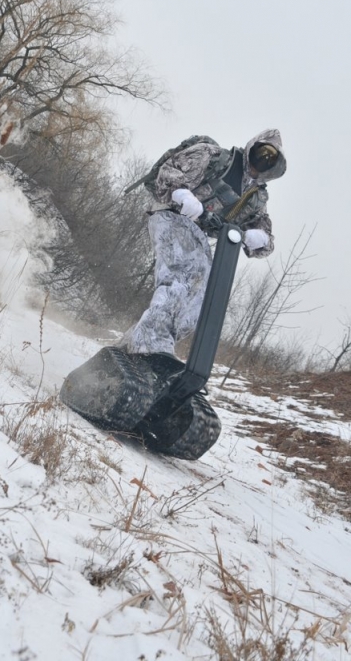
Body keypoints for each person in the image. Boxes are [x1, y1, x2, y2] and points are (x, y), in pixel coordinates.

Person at [120, 128, 287, 459]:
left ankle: (135, 343)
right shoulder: (215, 157)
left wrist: (260, 240)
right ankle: (149, 348)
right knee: (185, 276)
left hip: (196, 232)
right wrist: (183, 195)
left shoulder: (256, 196)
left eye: (270, 160)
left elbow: (266, 234)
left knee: (201, 297)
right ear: (252, 149)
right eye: (260, 154)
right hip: (170, 215)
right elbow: (167, 173)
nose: (261, 163)